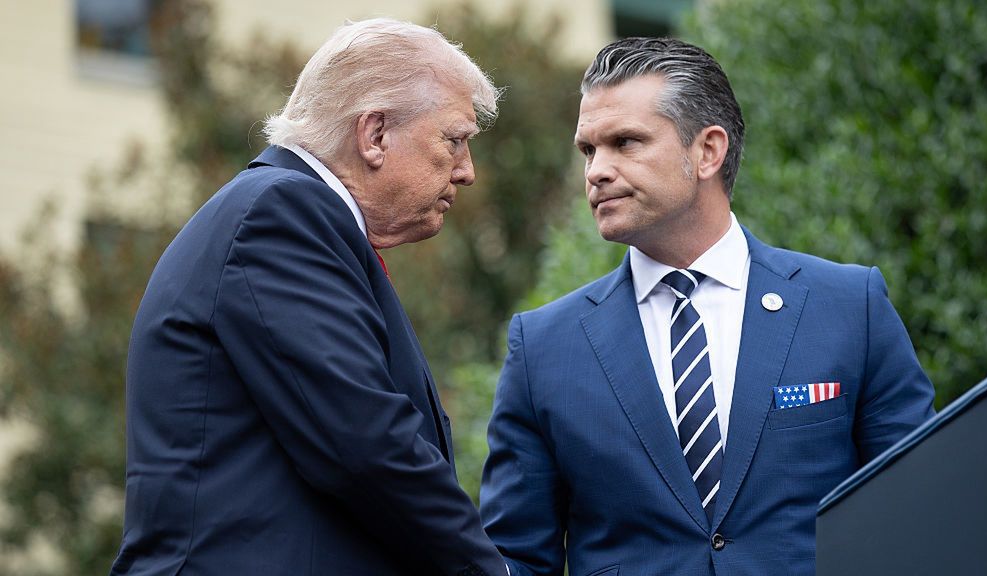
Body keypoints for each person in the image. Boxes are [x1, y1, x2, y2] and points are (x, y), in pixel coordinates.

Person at [479, 37, 935, 576]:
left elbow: (920, 508)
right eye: (588, 150)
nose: (597, 170)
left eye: (625, 142)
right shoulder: (543, 347)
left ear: (708, 151)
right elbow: (514, 558)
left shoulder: (847, 307)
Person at [110, 18, 507, 576]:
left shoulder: (284, 213)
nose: (466, 171)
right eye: (455, 140)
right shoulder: (282, 214)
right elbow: (366, 445)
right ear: (374, 134)